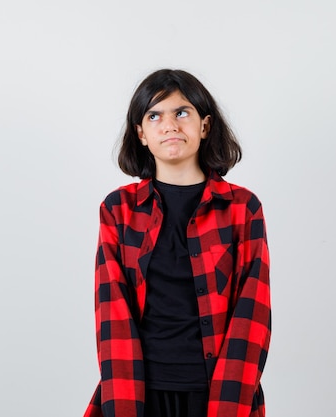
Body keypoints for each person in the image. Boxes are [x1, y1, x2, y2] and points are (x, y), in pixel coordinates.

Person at [83, 69, 271, 417]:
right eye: (154, 115)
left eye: (181, 112)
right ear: (141, 134)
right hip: (141, 394)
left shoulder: (242, 208)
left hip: (217, 393)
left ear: (204, 125)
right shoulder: (118, 210)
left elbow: (252, 313)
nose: (169, 125)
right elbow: (112, 314)